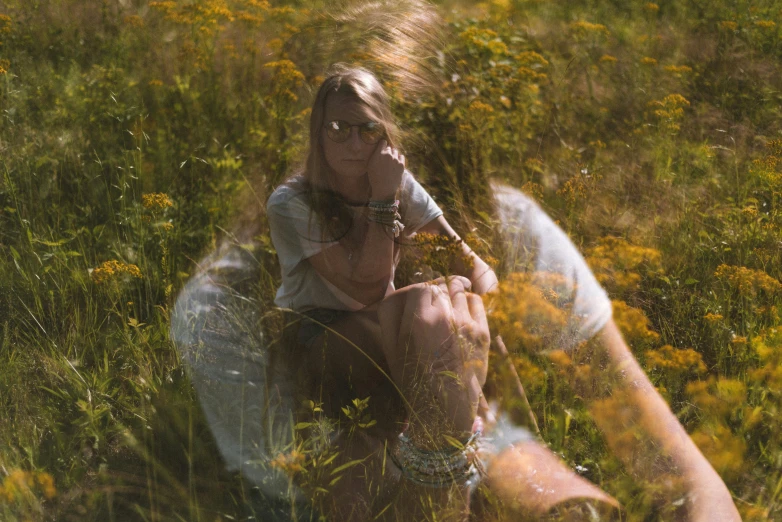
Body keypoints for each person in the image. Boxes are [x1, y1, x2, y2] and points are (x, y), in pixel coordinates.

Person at [172, 64, 741, 521]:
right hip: (325, 383)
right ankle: (462, 429)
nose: (351, 143)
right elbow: (365, 280)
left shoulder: (509, 225)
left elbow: (678, 469)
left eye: (367, 129)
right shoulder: (223, 304)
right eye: (336, 129)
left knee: (568, 508)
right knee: (423, 326)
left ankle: (475, 430)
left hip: (456, 402)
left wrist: (487, 289)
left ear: (391, 138)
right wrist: (440, 436)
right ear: (313, 138)